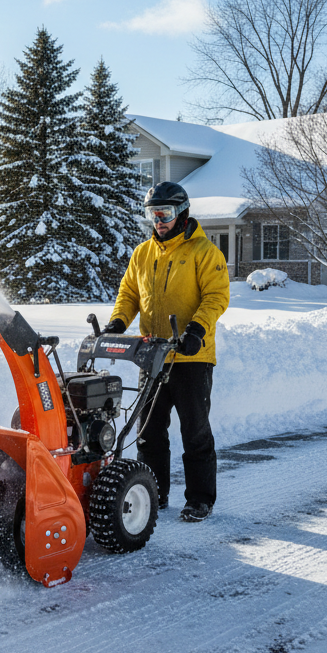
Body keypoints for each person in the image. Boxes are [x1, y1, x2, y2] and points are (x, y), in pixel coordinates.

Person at [102, 182, 229, 522]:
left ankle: (200, 499)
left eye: (165, 213)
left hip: (191, 357)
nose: (159, 220)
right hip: (151, 355)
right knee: (148, 433)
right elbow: (129, 293)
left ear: (182, 212)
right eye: (153, 213)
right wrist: (117, 322)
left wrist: (196, 332)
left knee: (195, 431)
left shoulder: (204, 251)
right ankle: (154, 494)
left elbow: (216, 297)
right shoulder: (142, 253)